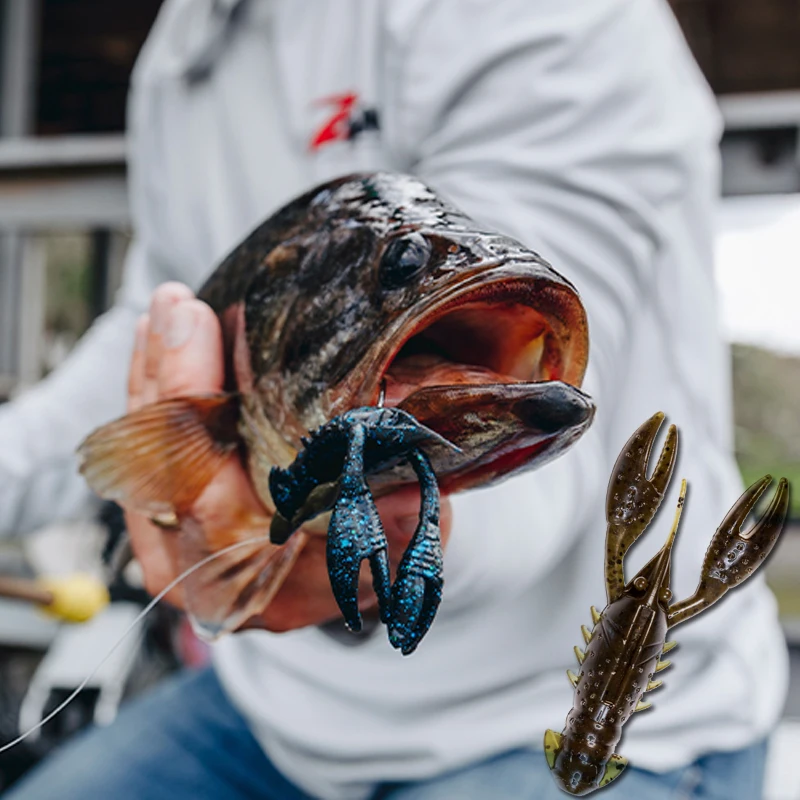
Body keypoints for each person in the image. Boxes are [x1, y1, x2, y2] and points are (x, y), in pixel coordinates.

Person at [0, 0, 786, 798]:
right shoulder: (181, 50)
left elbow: (553, 471)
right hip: (279, 710)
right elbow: (168, 326)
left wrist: (385, 549)